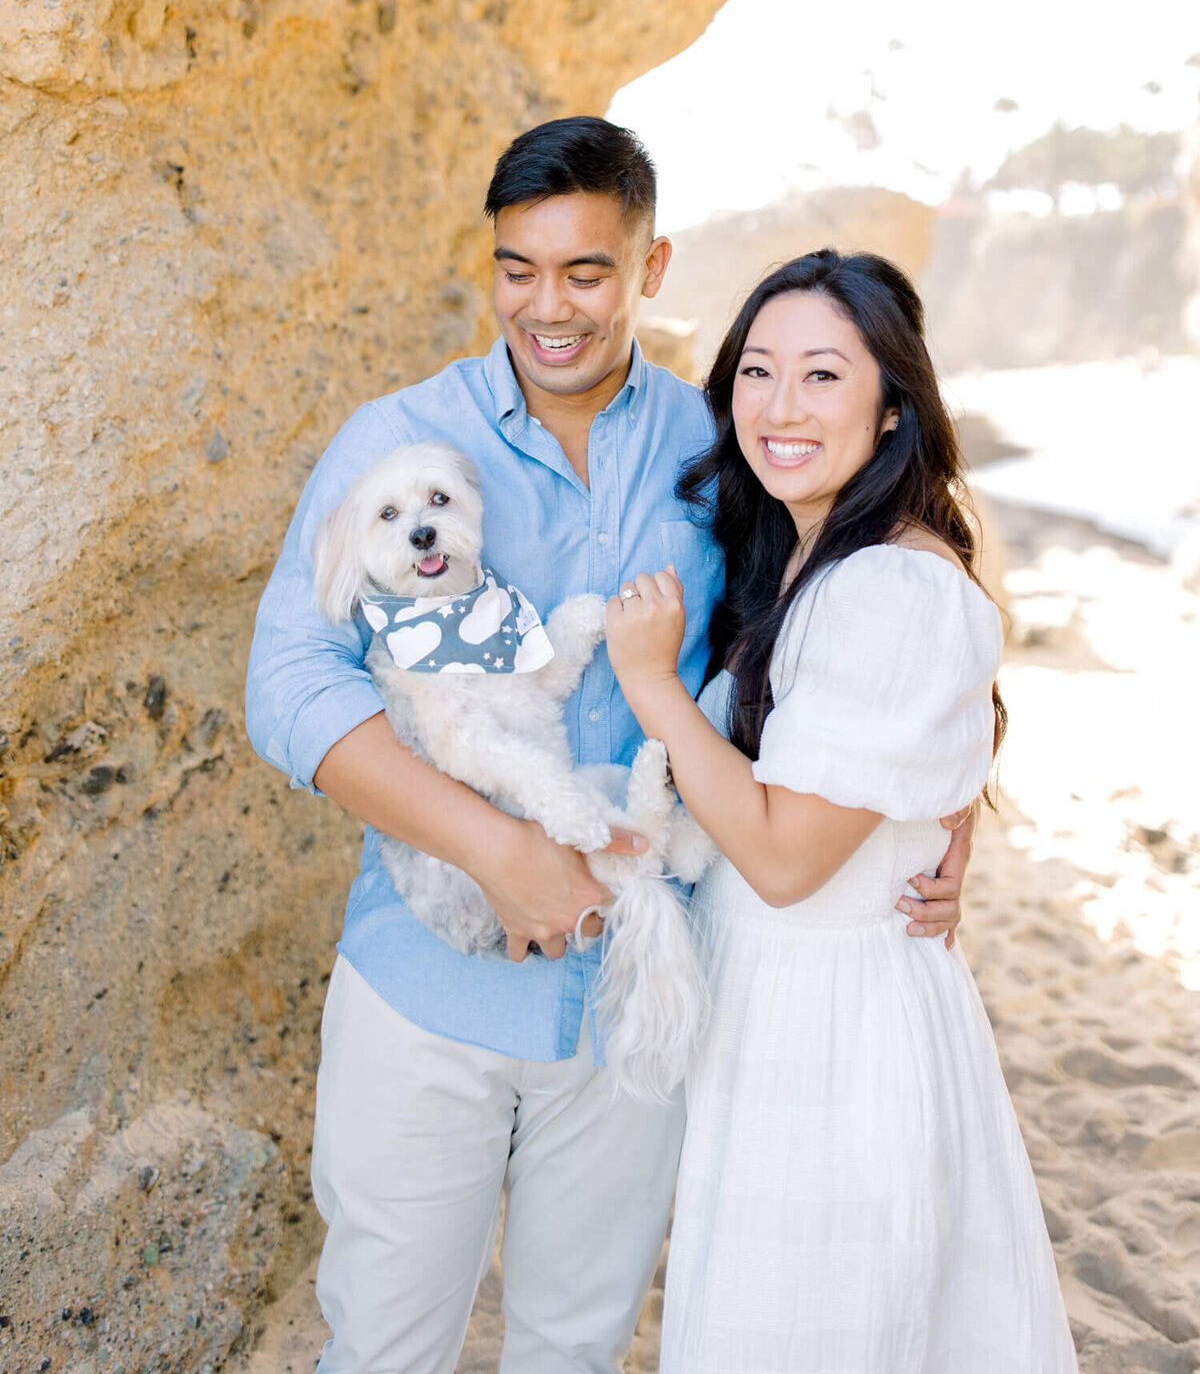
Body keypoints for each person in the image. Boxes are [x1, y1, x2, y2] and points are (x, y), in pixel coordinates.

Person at [245, 123, 972, 1374]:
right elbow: (289, 684)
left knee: (574, 1348)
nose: (548, 305)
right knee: (381, 1347)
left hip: (638, 995)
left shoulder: (719, 447)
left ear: (653, 265)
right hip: (427, 982)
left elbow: (849, 636)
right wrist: (496, 850)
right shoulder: (398, 441)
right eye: (517, 269)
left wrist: (941, 822)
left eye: (586, 270)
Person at [605, 249, 1077, 1373]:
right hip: (787, 1008)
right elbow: (910, 760)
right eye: (757, 372)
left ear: (893, 403)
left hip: (830, 1028)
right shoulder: (814, 560)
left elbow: (783, 859)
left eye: (822, 375)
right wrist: (942, 830)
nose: (778, 406)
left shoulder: (890, 587)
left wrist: (657, 689)